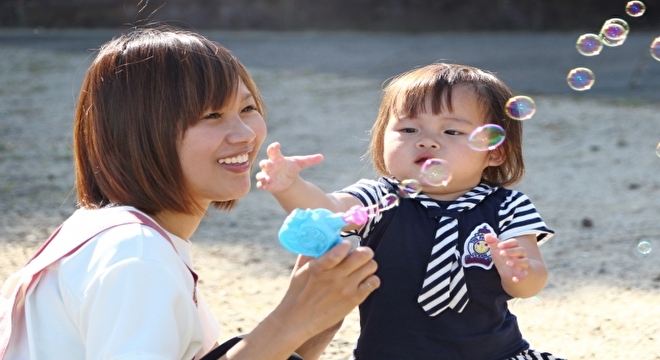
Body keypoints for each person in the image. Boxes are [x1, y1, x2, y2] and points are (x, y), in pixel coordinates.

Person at [0, 25, 380, 360]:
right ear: (140, 135)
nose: (245, 135)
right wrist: (291, 321)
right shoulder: (136, 256)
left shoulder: (107, 232)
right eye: (211, 116)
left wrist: (309, 329)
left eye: (247, 108)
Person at [256, 63, 565, 359]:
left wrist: (518, 272)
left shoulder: (508, 207)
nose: (427, 141)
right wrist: (289, 185)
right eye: (409, 129)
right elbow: (328, 210)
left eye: (452, 132)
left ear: (495, 151)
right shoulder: (380, 197)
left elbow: (531, 284)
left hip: (493, 354)